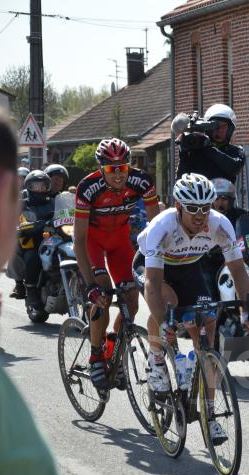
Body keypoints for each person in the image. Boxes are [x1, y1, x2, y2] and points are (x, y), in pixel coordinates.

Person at [0, 102, 73, 475]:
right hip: (34, 248)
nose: (37, 191)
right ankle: (31, 289)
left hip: (57, 243)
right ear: (2, 197)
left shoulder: (57, 201)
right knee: (33, 265)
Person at [134, 173, 249, 443]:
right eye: (193, 209)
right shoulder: (162, 226)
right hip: (154, 268)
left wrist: (247, 307)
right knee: (169, 306)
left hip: (189, 267)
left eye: (206, 208)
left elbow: (237, 269)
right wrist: (166, 322)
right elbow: (153, 285)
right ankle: (156, 359)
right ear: (178, 207)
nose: (200, 215)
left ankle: (209, 415)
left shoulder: (220, 225)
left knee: (207, 326)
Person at [74, 138, 160, 392]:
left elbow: (157, 227)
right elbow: (78, 241)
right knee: (102, 294)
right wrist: (89, 285)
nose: (119, 174)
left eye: (123, 167)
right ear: (101, 168)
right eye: (112, 169)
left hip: (120, 242)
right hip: (93, 242)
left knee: (131, 301)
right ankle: (95, 354)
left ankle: (114, 346)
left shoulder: (142, 181)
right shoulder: (88, 187)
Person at [12, 170, 56, 307]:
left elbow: (66, 212)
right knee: (32, 257)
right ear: (29, 187)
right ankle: (30, 289)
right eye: (35, 186)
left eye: (43, 186)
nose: (39, 189)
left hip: (52, 240)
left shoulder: (54, 201)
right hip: (31, 241)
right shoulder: (22, 203)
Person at [176, 103, 245, 184]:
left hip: (223, 196)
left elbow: (234, 168)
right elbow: (181, 180)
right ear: (208, 129)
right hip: (200, 196)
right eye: (215, 126)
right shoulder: (196, 151)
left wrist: (208, 148)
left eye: (223, 126)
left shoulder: (236, 151)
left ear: (229, 129)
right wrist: (183, 153)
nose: (219, 130)